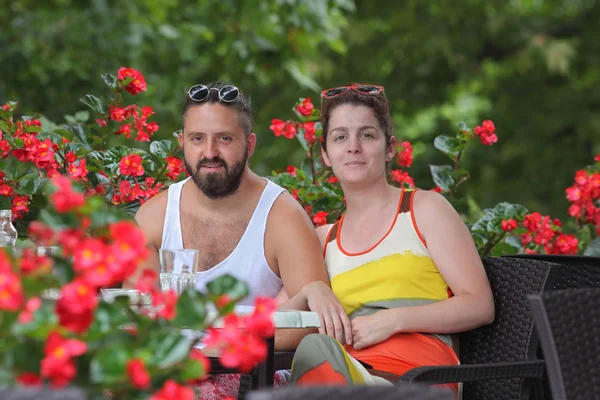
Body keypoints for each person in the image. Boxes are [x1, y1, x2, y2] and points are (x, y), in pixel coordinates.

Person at [127, 82, 348, 398]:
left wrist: (225, 347)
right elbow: (135, 311)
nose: (210, 152)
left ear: (250, 144)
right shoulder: (154, 217)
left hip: (249, 376)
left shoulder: (281, 217)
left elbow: (312, 323)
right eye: (197, 139)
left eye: (225, 139)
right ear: (181, 143)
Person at [288, 84, 495, 395]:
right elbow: (271, 332)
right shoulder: (323, 240)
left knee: (314, 356)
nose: (353, 146)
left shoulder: (424, 210)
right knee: (314, 350)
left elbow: (480, 305)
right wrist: (310, 290)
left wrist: (395, 320)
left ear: (389, 148)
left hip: (420, 381)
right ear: (325, 154)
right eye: (340, 137)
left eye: (367, 135)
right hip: (346, 374)